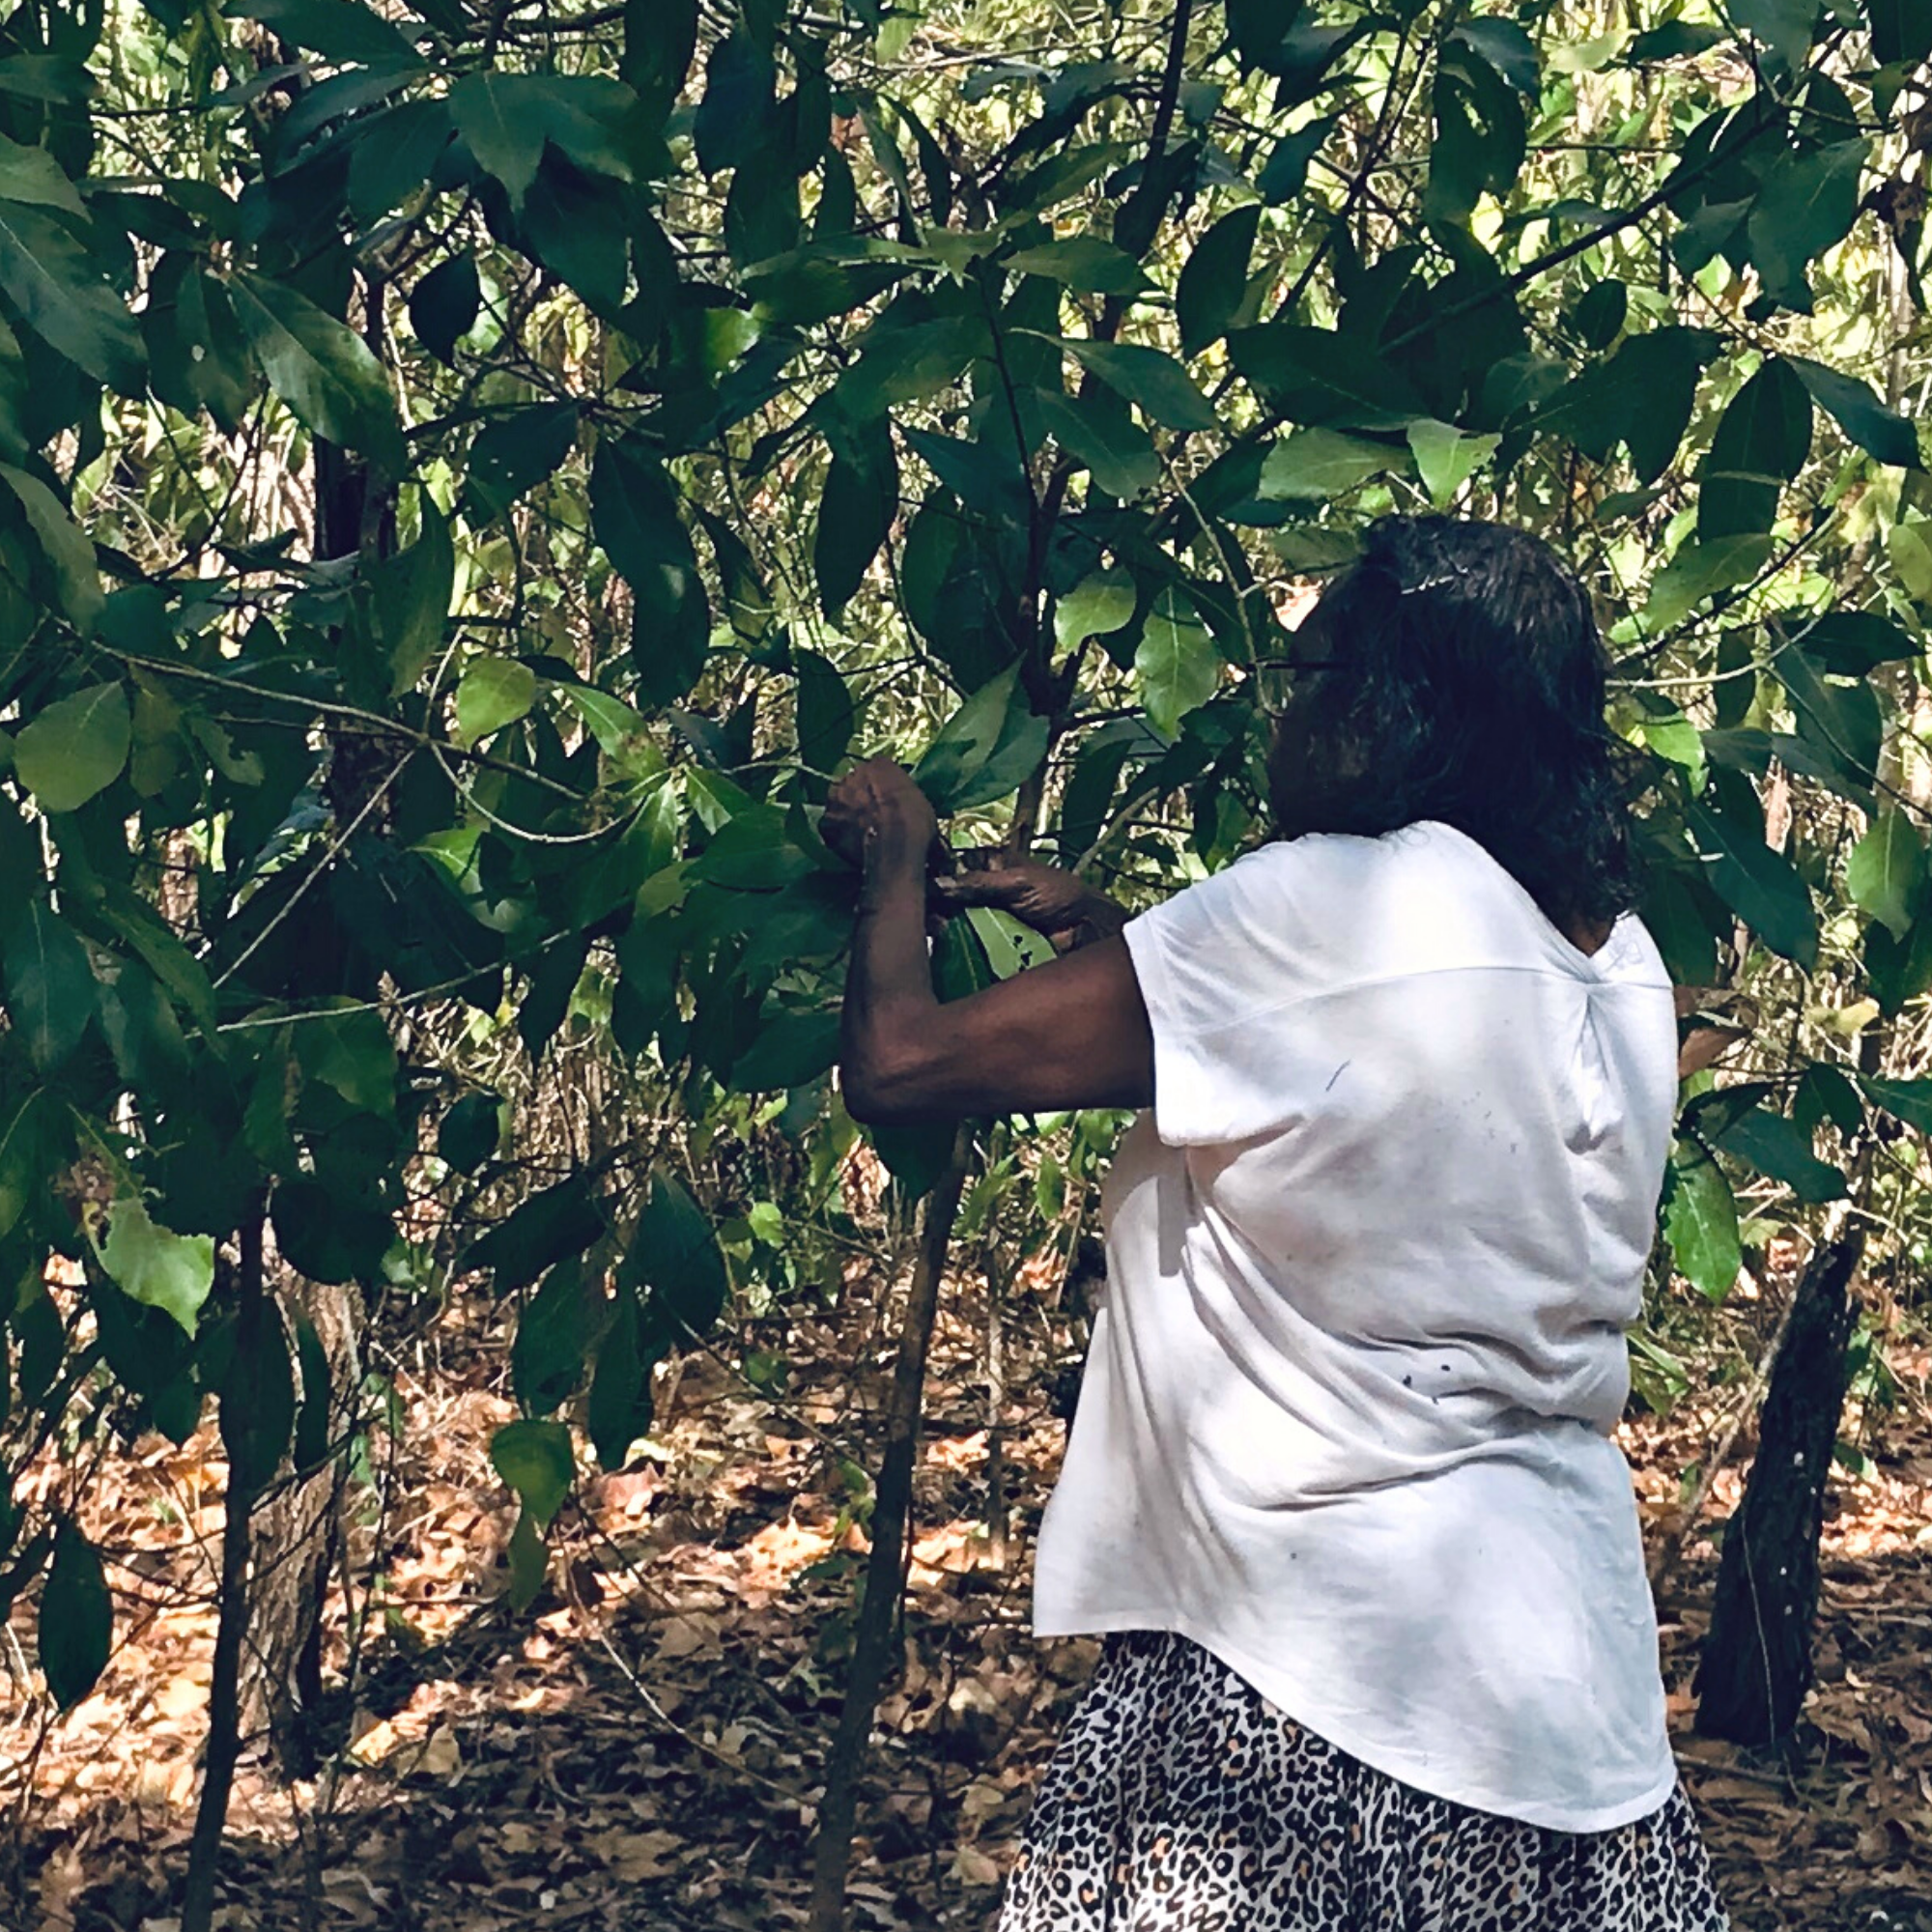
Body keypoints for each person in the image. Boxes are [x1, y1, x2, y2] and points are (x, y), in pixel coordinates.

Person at [823, 516, 1729, 1931]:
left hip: (1302, 1691)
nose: (1280, 718)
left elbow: (903, 1064)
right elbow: (1364, 1107)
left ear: (1394, 711)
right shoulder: (1613, 954)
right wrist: (1127, 941)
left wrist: (895, 855)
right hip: (1568, 1703)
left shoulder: (1334, 900)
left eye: (1309, 679)